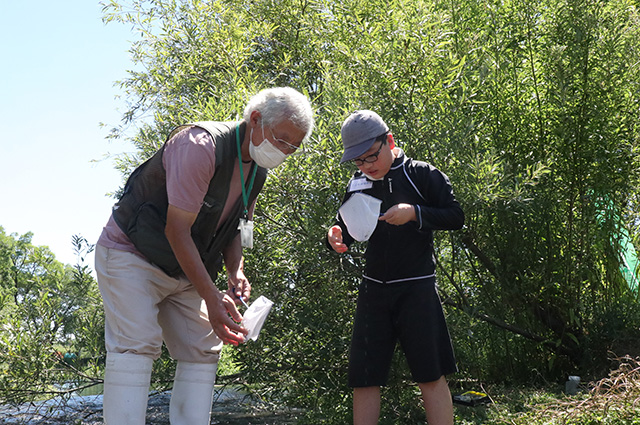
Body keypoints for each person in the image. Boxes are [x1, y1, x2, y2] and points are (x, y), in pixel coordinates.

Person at [95, 87, 314, 425]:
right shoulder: (199, 146)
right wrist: (212, 297)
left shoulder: (258, 170)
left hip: (182, 265)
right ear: (255, 120)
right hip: (131, 254)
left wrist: (235, 271)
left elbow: (237, 228)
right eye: (281, 140)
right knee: (137, 344)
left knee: (203, 347)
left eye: (292, 147)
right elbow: (176, 231)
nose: (284, 152)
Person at [326, 110, 464, 425]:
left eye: (372, 156)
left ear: (388, 141)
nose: (367, 166)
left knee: (430, 373)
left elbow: (456, 216)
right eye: (358, 161)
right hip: (373, 289)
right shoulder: (358, 181)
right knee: (364, 377)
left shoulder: (422, 174)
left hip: (417, 287)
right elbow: (346, 226)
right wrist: (334, 235)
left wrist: (414, 212)